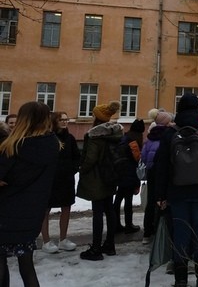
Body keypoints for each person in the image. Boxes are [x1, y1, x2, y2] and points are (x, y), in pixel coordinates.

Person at [155, 93, 198, 287]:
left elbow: (161, 166)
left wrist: (160, 194)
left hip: (176, 193)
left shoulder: (170, 133)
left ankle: (181, 280)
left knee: (180, 234)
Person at [0, 101, 60, 287]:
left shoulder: (12, 147)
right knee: (27, 266)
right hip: (33, 214)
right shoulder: (53, 145)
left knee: (0, 263)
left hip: (5, 213)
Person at [76, 100, 123, 260]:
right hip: (110, 175)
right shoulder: (115, 133)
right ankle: (109, 245)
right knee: (109, 210)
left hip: (96, 177)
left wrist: (82, 169)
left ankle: (96, 249)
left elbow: (91, 158)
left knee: (97, 212)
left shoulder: (94, 135)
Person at [40, 111, 80, 254]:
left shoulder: (70, 138)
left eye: (66, 119)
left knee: (66, 208)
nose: (64, 122)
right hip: (49, 180)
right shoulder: (46, 138)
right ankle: (46, 241)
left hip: (66, 180)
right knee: (45, 210)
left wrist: (72, 169)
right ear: (54, 121)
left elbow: (77, 157)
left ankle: (63, 239)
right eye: (61, 120)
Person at [141, 109, 173, 243]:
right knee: (163, 202)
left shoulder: (150, 137)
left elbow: (143, 156)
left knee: (151, 201)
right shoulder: (168, 136)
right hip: (163, 171)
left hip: (151, 171)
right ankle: (161, 232)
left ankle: (147, 234)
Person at [114, 119, 144, 234]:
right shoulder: (134, 142)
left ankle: (115, 223)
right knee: (128, 200)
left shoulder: (124, 138)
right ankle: (128, 225)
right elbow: (137, 159)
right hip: (129, 173)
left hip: (120, 172)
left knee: (118, 199)